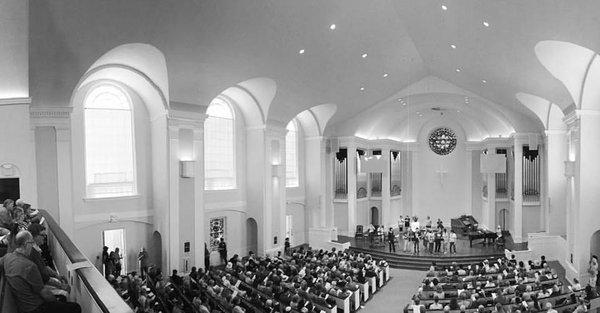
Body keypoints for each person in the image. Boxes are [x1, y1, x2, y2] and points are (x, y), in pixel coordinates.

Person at [0, 230, 81, 313]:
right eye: (31, 243)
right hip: (36, 308)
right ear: (27, 244)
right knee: (75, 307)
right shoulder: (29, 266)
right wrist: (56, 301)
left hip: (22, 306)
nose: (32, 246)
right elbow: (45, 294)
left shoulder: (7, 257)